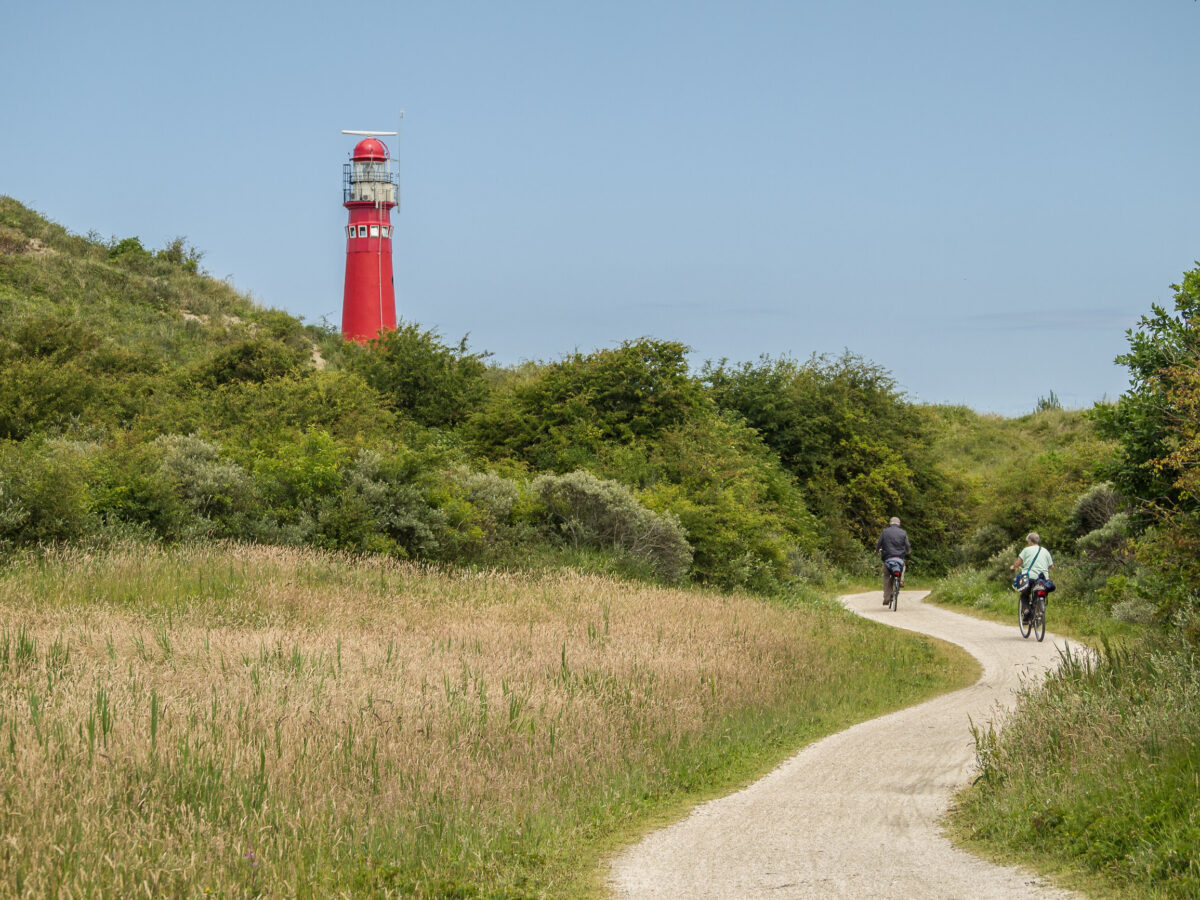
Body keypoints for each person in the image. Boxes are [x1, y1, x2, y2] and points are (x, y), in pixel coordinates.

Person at [1010, 532, 1054, 623]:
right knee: (1039, 592)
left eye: (1027, 541)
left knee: (1024, 594)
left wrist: (1014, 567)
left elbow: (1019, 563)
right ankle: (1039, 609)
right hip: (1044, 578)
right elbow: (1051, 566)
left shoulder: (1026, 550)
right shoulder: (1045, 551)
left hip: (1030, 576)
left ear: (1030, 541)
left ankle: (1026, 611)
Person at [875, 516, 911, 605]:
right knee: (903, 566)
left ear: (890, 523)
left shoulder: (885, 532)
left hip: (887, 558)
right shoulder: (903, 533)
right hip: (899, 558)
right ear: (899, 524)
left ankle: (886, 597)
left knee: (886, 576)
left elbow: (879, 543)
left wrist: (877, 551)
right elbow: (907, 545)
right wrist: (907, 551)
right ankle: (901, 580)